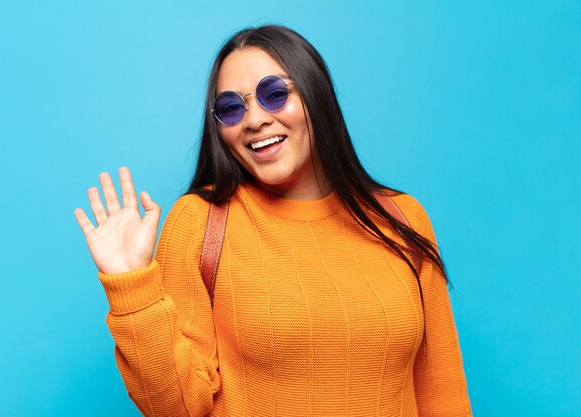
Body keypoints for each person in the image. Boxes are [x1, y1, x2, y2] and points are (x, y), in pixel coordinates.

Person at [74, 25, 472, 417]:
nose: (254, 120)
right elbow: (177, 408)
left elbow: (443, 395)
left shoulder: (401, 218)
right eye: (231, 108)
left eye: (274, 94)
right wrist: (132, 288)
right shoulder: (199, 221)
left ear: (317, 98)